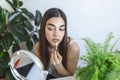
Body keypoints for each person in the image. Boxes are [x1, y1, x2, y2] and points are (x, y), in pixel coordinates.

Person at [34, 8, 80, 80]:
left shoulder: (73, 48)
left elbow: (71, 77)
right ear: (43, 28)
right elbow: (41, 73)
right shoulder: (38, 46)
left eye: (61, 29)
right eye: (50, 28)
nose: (56, 34)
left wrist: (59, 66)